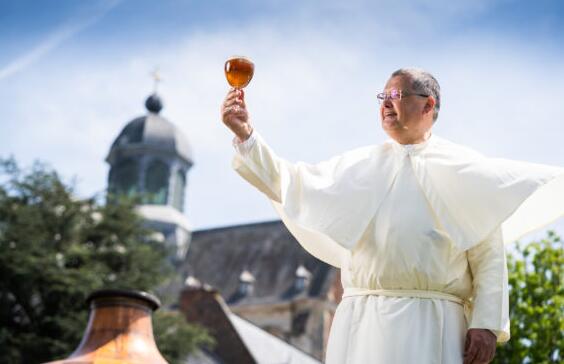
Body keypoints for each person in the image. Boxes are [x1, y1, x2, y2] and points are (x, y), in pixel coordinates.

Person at [221, 68, 564, 363]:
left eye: (396, 94)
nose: (385, 102)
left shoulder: (467, 170)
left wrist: (486, 323)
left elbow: (489, 253)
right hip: (360, 324)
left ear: (428, 104)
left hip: (433, 323)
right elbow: (289, 182)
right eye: (382, 95)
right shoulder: (355, 167)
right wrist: (246, 134)